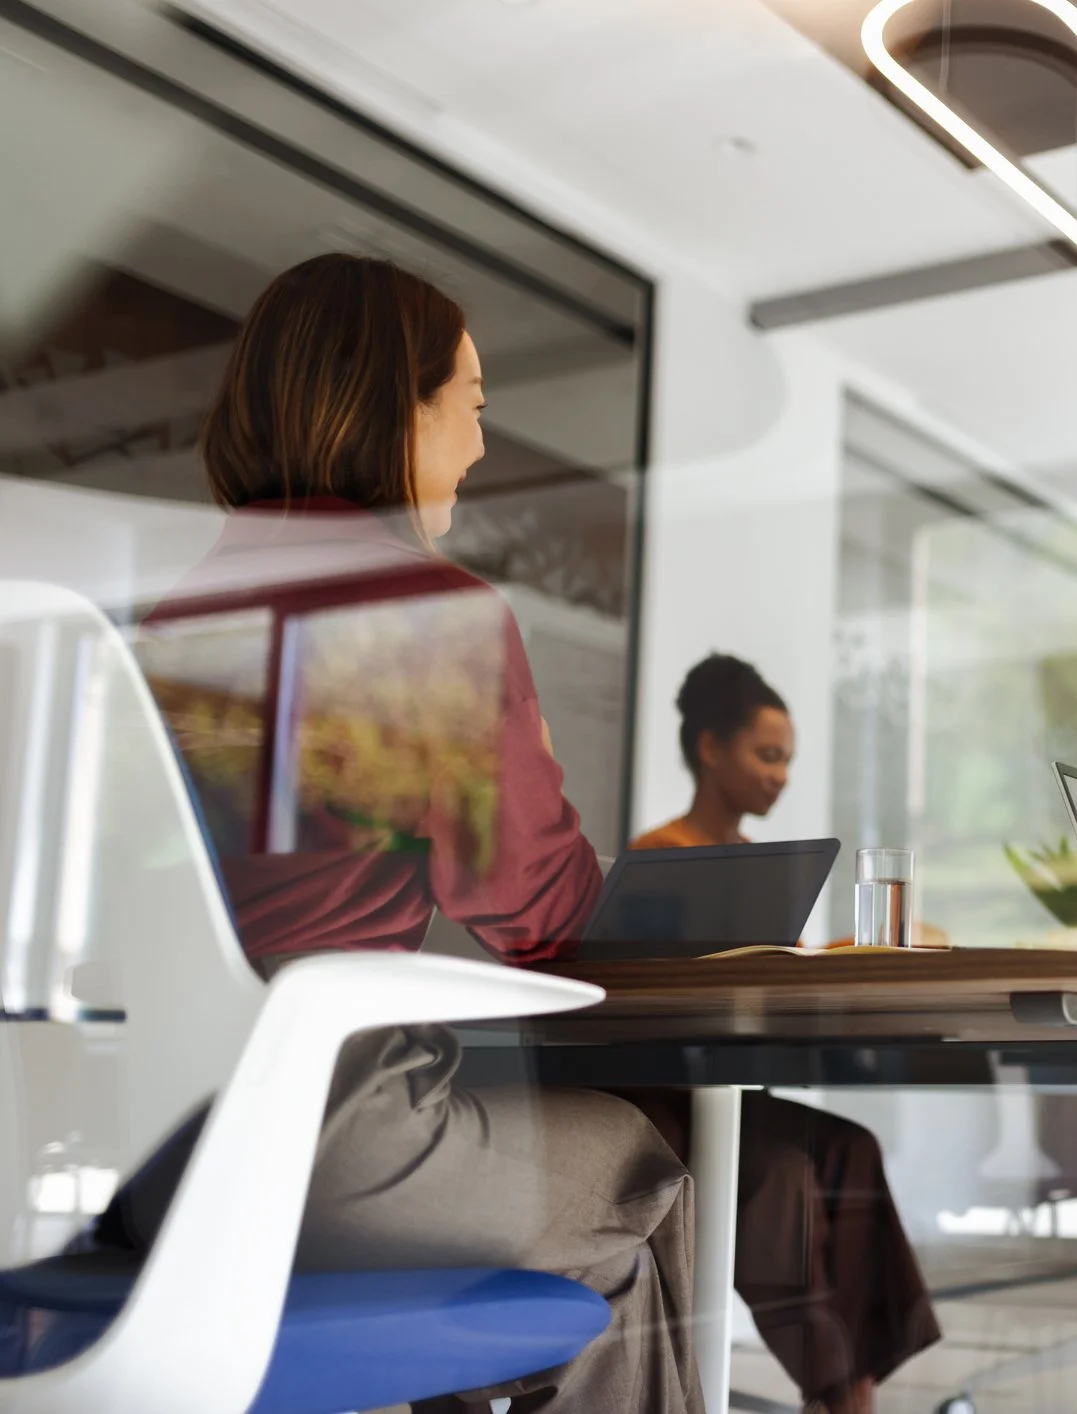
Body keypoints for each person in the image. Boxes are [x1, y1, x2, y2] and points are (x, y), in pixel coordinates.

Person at [110, 253, 702, 1413]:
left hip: (146, 1164)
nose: (479, 447)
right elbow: (537, 916)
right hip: (339, 1155)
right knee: (641, 1163)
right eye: (471, 406)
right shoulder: (423, 615)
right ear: (400, 406)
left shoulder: (158, 634)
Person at [628, 653, 942, 1414]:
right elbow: (668, 993)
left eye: (788, 760)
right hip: (664, 1097)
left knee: (851, 1148)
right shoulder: (658, 859)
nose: (781, 775)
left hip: (732, 1087)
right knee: (782, 1175)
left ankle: (848, 1391)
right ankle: (834, 1387)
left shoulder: (753, 865)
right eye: (767, 755)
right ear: (711, 748)